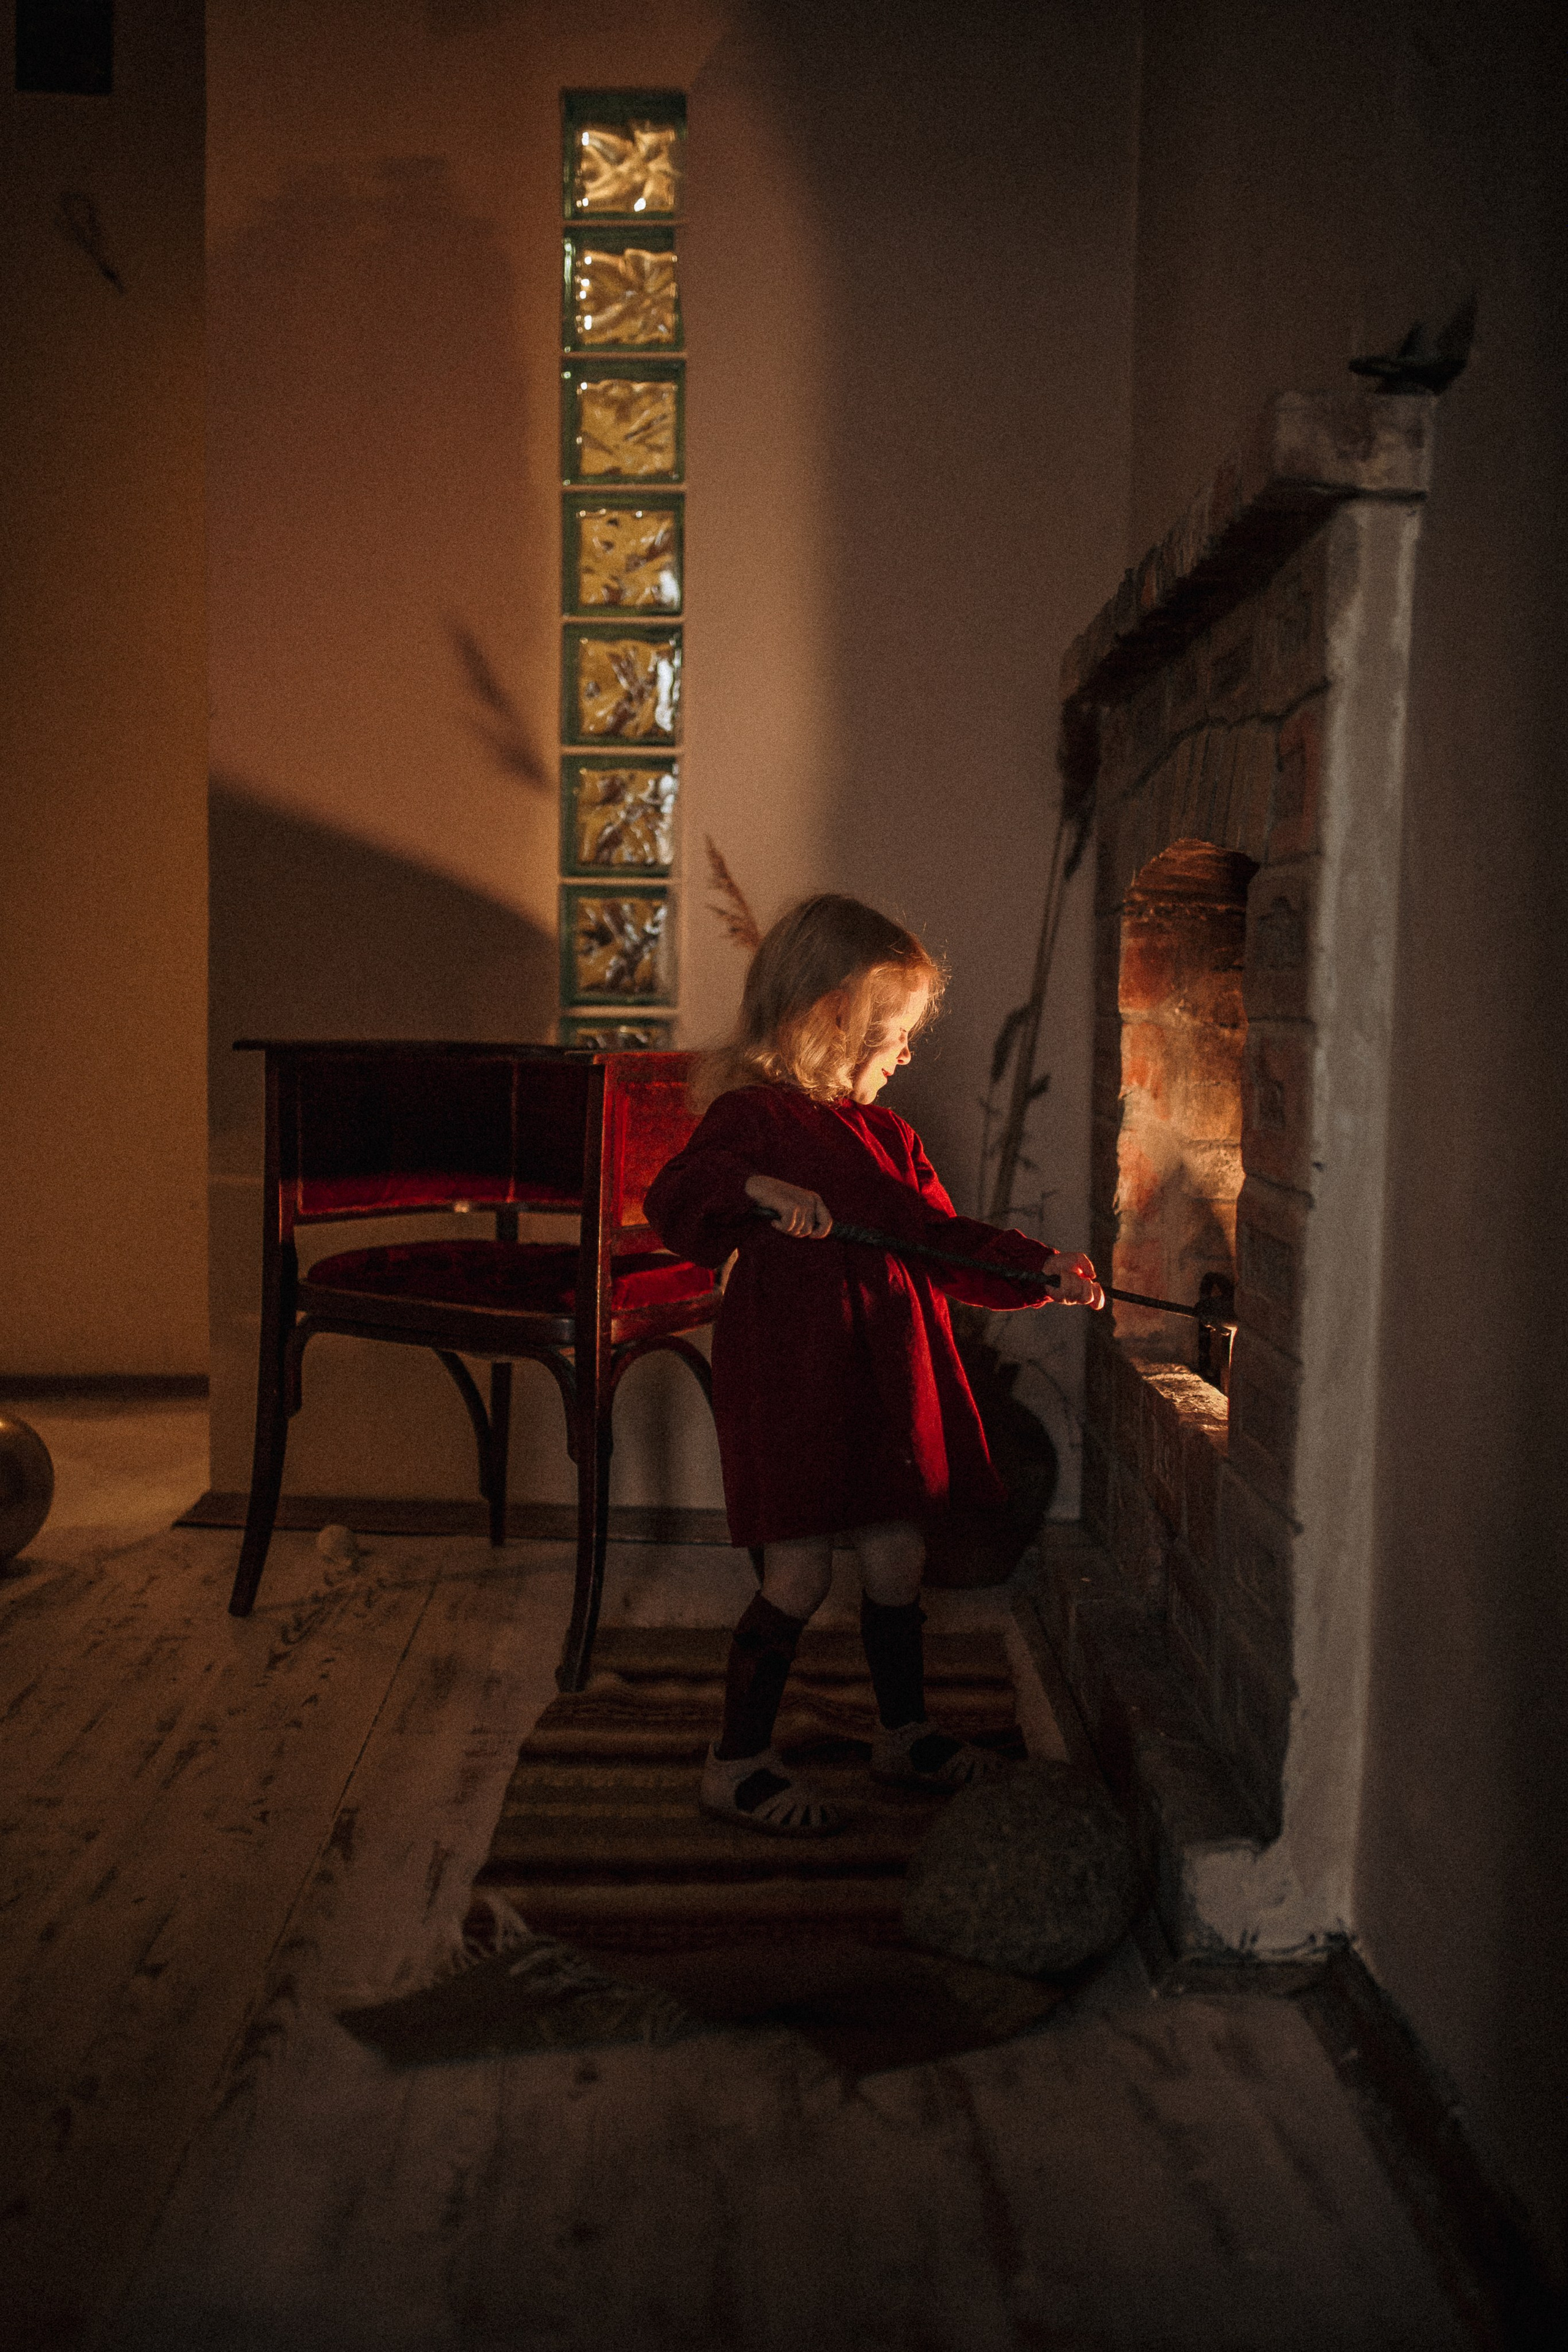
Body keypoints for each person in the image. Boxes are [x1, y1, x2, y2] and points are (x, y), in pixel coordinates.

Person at [643, 894, 1102, 1836]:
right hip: (800, 1379)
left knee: (898, 1557)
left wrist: (1038, 1271)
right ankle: (737, 1762)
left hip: (889, 1377)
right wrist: (757, 1188)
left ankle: (905, 1733)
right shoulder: (753, 1119)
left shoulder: (890, 1138)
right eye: (891, 1035)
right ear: (825, 1018)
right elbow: (678, 1196)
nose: (904, 1055)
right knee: (802, 1574)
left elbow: (944, 1243)